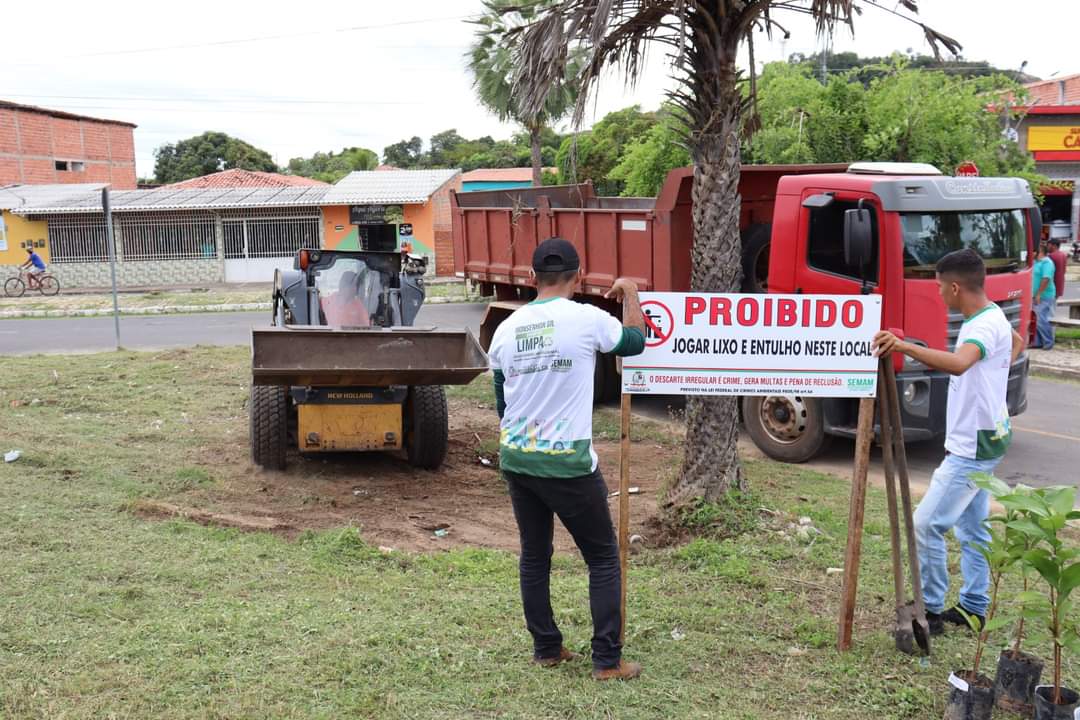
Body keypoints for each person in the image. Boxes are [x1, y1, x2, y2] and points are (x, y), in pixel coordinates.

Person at [487, 237, 646, 681]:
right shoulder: (586, 319)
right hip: (568, 464)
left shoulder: (506, 328)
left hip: (518, 457)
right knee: (602, 558)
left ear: (532, 278)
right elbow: (634, 341)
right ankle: (607, 661)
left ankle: (547, 648)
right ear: (578, 276)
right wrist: (630, 292)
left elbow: (502, 398)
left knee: (535, 556)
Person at [873, 248, 1024, 636]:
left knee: (926, 525)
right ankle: (974, 607)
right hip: (992, 434)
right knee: (973, 527)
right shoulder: (994, 316)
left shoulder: (978, 328)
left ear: (955, 287)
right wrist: (990, 385)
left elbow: (959, 363)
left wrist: (904, 347)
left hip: (972, 446)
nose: (939, 294)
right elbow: (1017, 343)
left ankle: (933, 611)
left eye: (941, 287)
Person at [1031, 243, 1057, 350]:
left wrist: (1039, 294)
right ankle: (1037, 342)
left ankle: (1048, 341)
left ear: (1040, 252)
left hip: (1044, 296)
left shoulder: (1047, 263)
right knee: (1035, 319)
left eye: (1034, 251)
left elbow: (1046, 279)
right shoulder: (1036, 262)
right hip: (1034, 295)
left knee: (1040, 318)